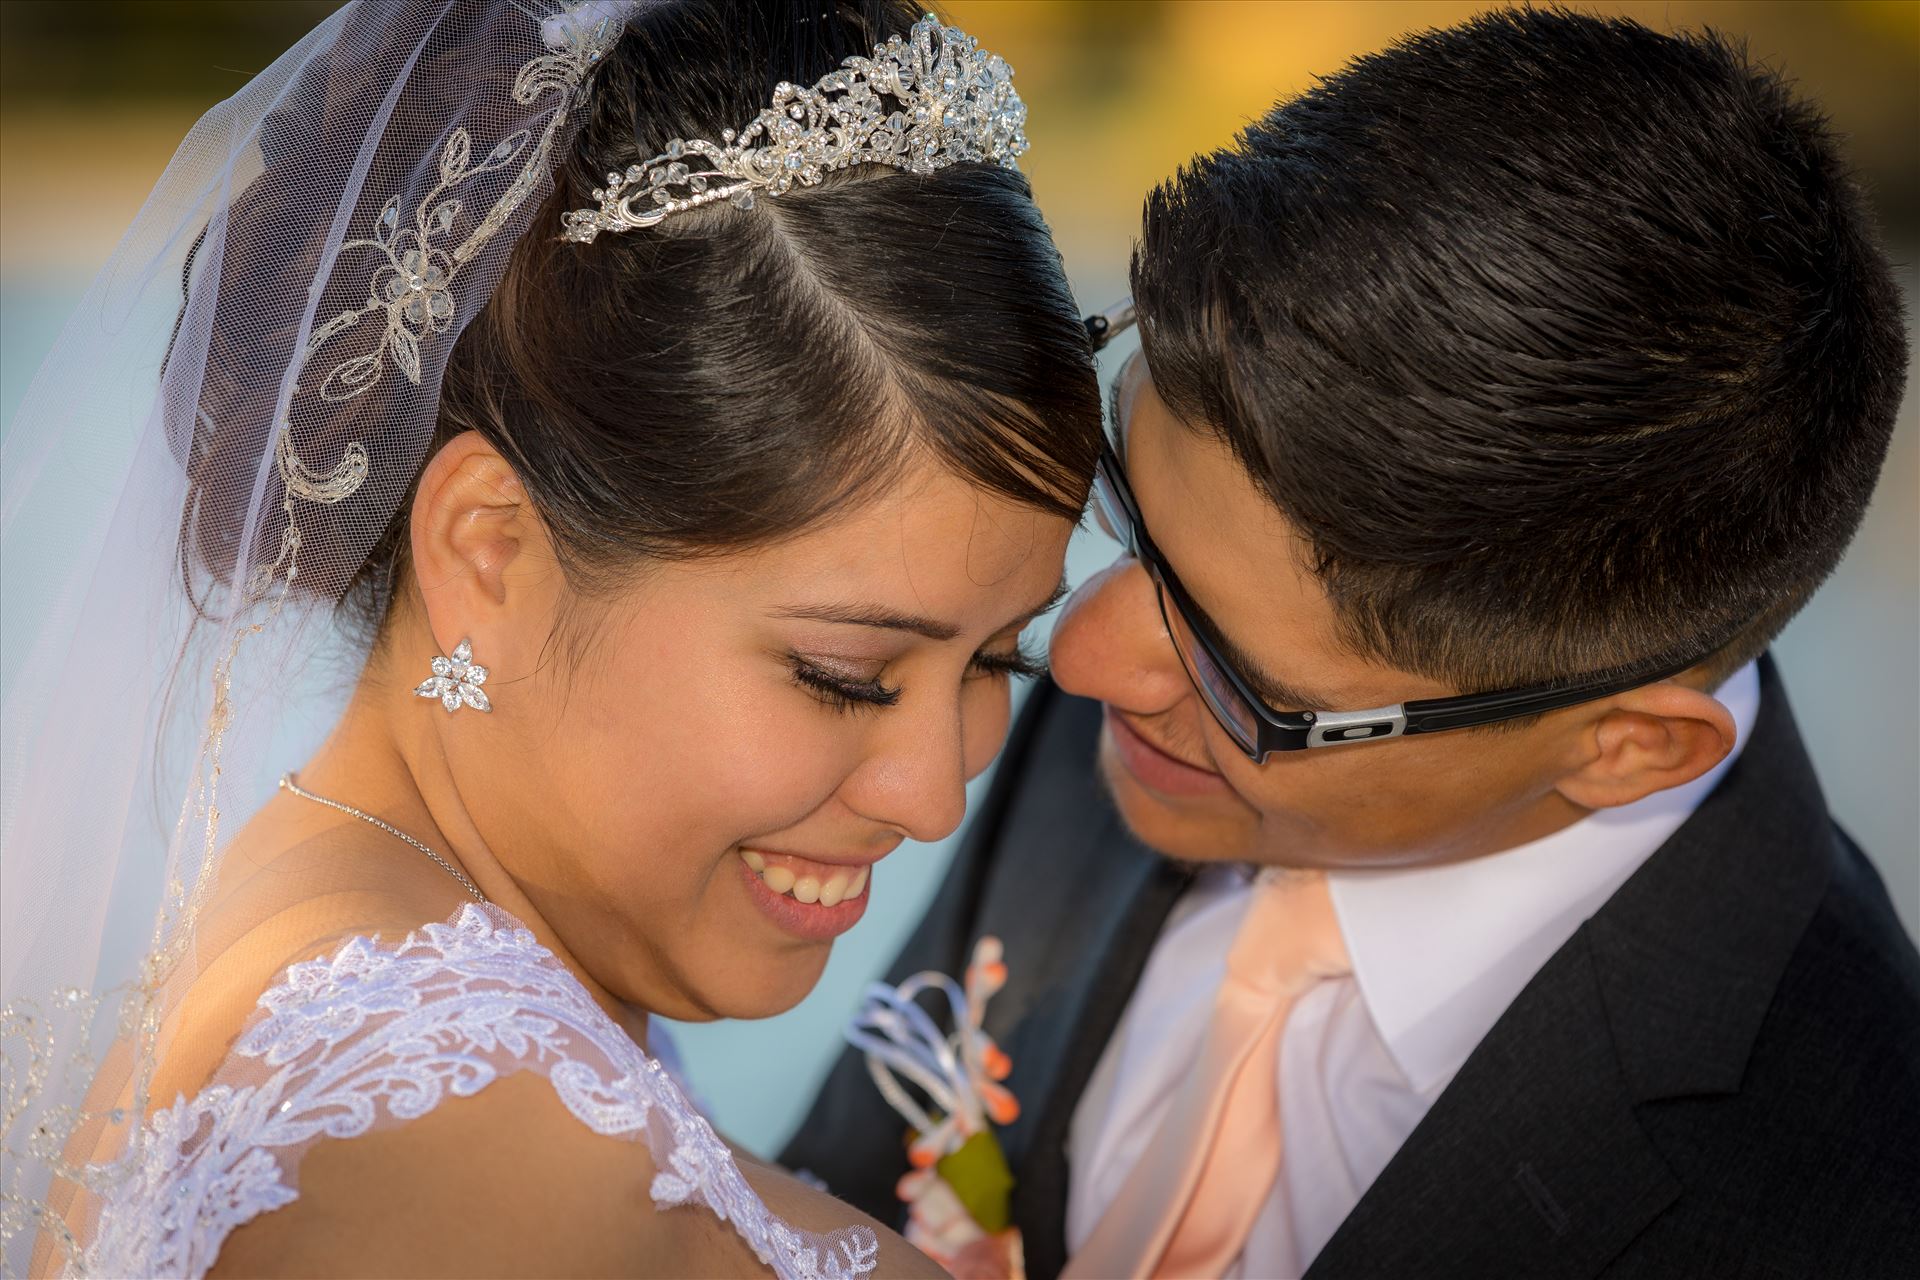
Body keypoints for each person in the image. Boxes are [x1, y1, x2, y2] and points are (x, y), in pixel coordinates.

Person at [786, 8, 1920, 1278]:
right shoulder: (1149, 717)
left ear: (1626, 747)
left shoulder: (1847, 1204)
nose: (1087, 655)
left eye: (1247, 679)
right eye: (1131, 510)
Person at [0, 2, 1100, 1276]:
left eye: (996, 661)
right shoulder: (448, 1155)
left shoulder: (345, 978)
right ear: (490, 550)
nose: (932, 794)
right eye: (842, 676)